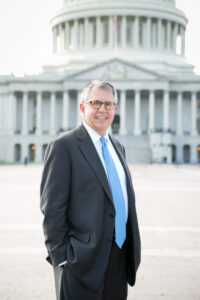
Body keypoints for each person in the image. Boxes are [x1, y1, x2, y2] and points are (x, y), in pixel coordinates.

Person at [40, 80, 141, 300]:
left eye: (108, 104)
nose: (102, 109)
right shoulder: (63, 146)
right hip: (80, 262)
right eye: (95, 103)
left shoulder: (118, 147)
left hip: (119, 258)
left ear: (115, 108)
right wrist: (63, 259)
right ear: (82, 107)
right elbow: (53, 208)